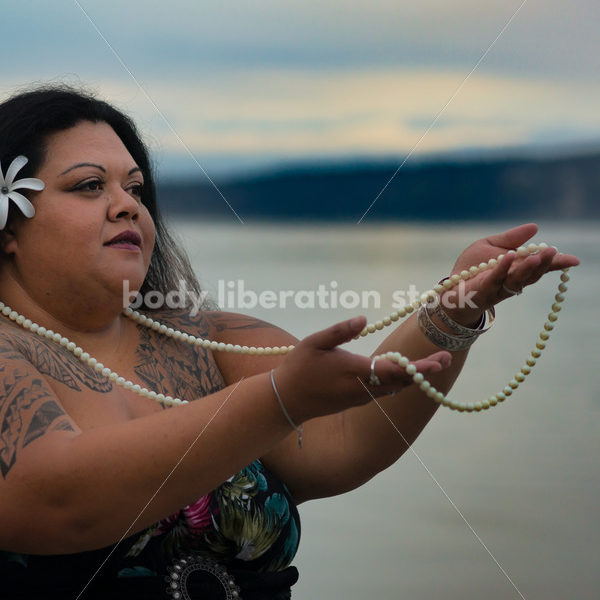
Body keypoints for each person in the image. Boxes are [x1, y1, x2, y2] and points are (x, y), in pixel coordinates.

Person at [0, 85, 579, 599]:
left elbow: (344, 441)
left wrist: (455, 308)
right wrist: (277, 399)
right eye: (87, 186)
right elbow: (55, 500)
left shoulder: (212, 338)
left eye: (134, 187)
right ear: (7, 227)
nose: (127, 203)